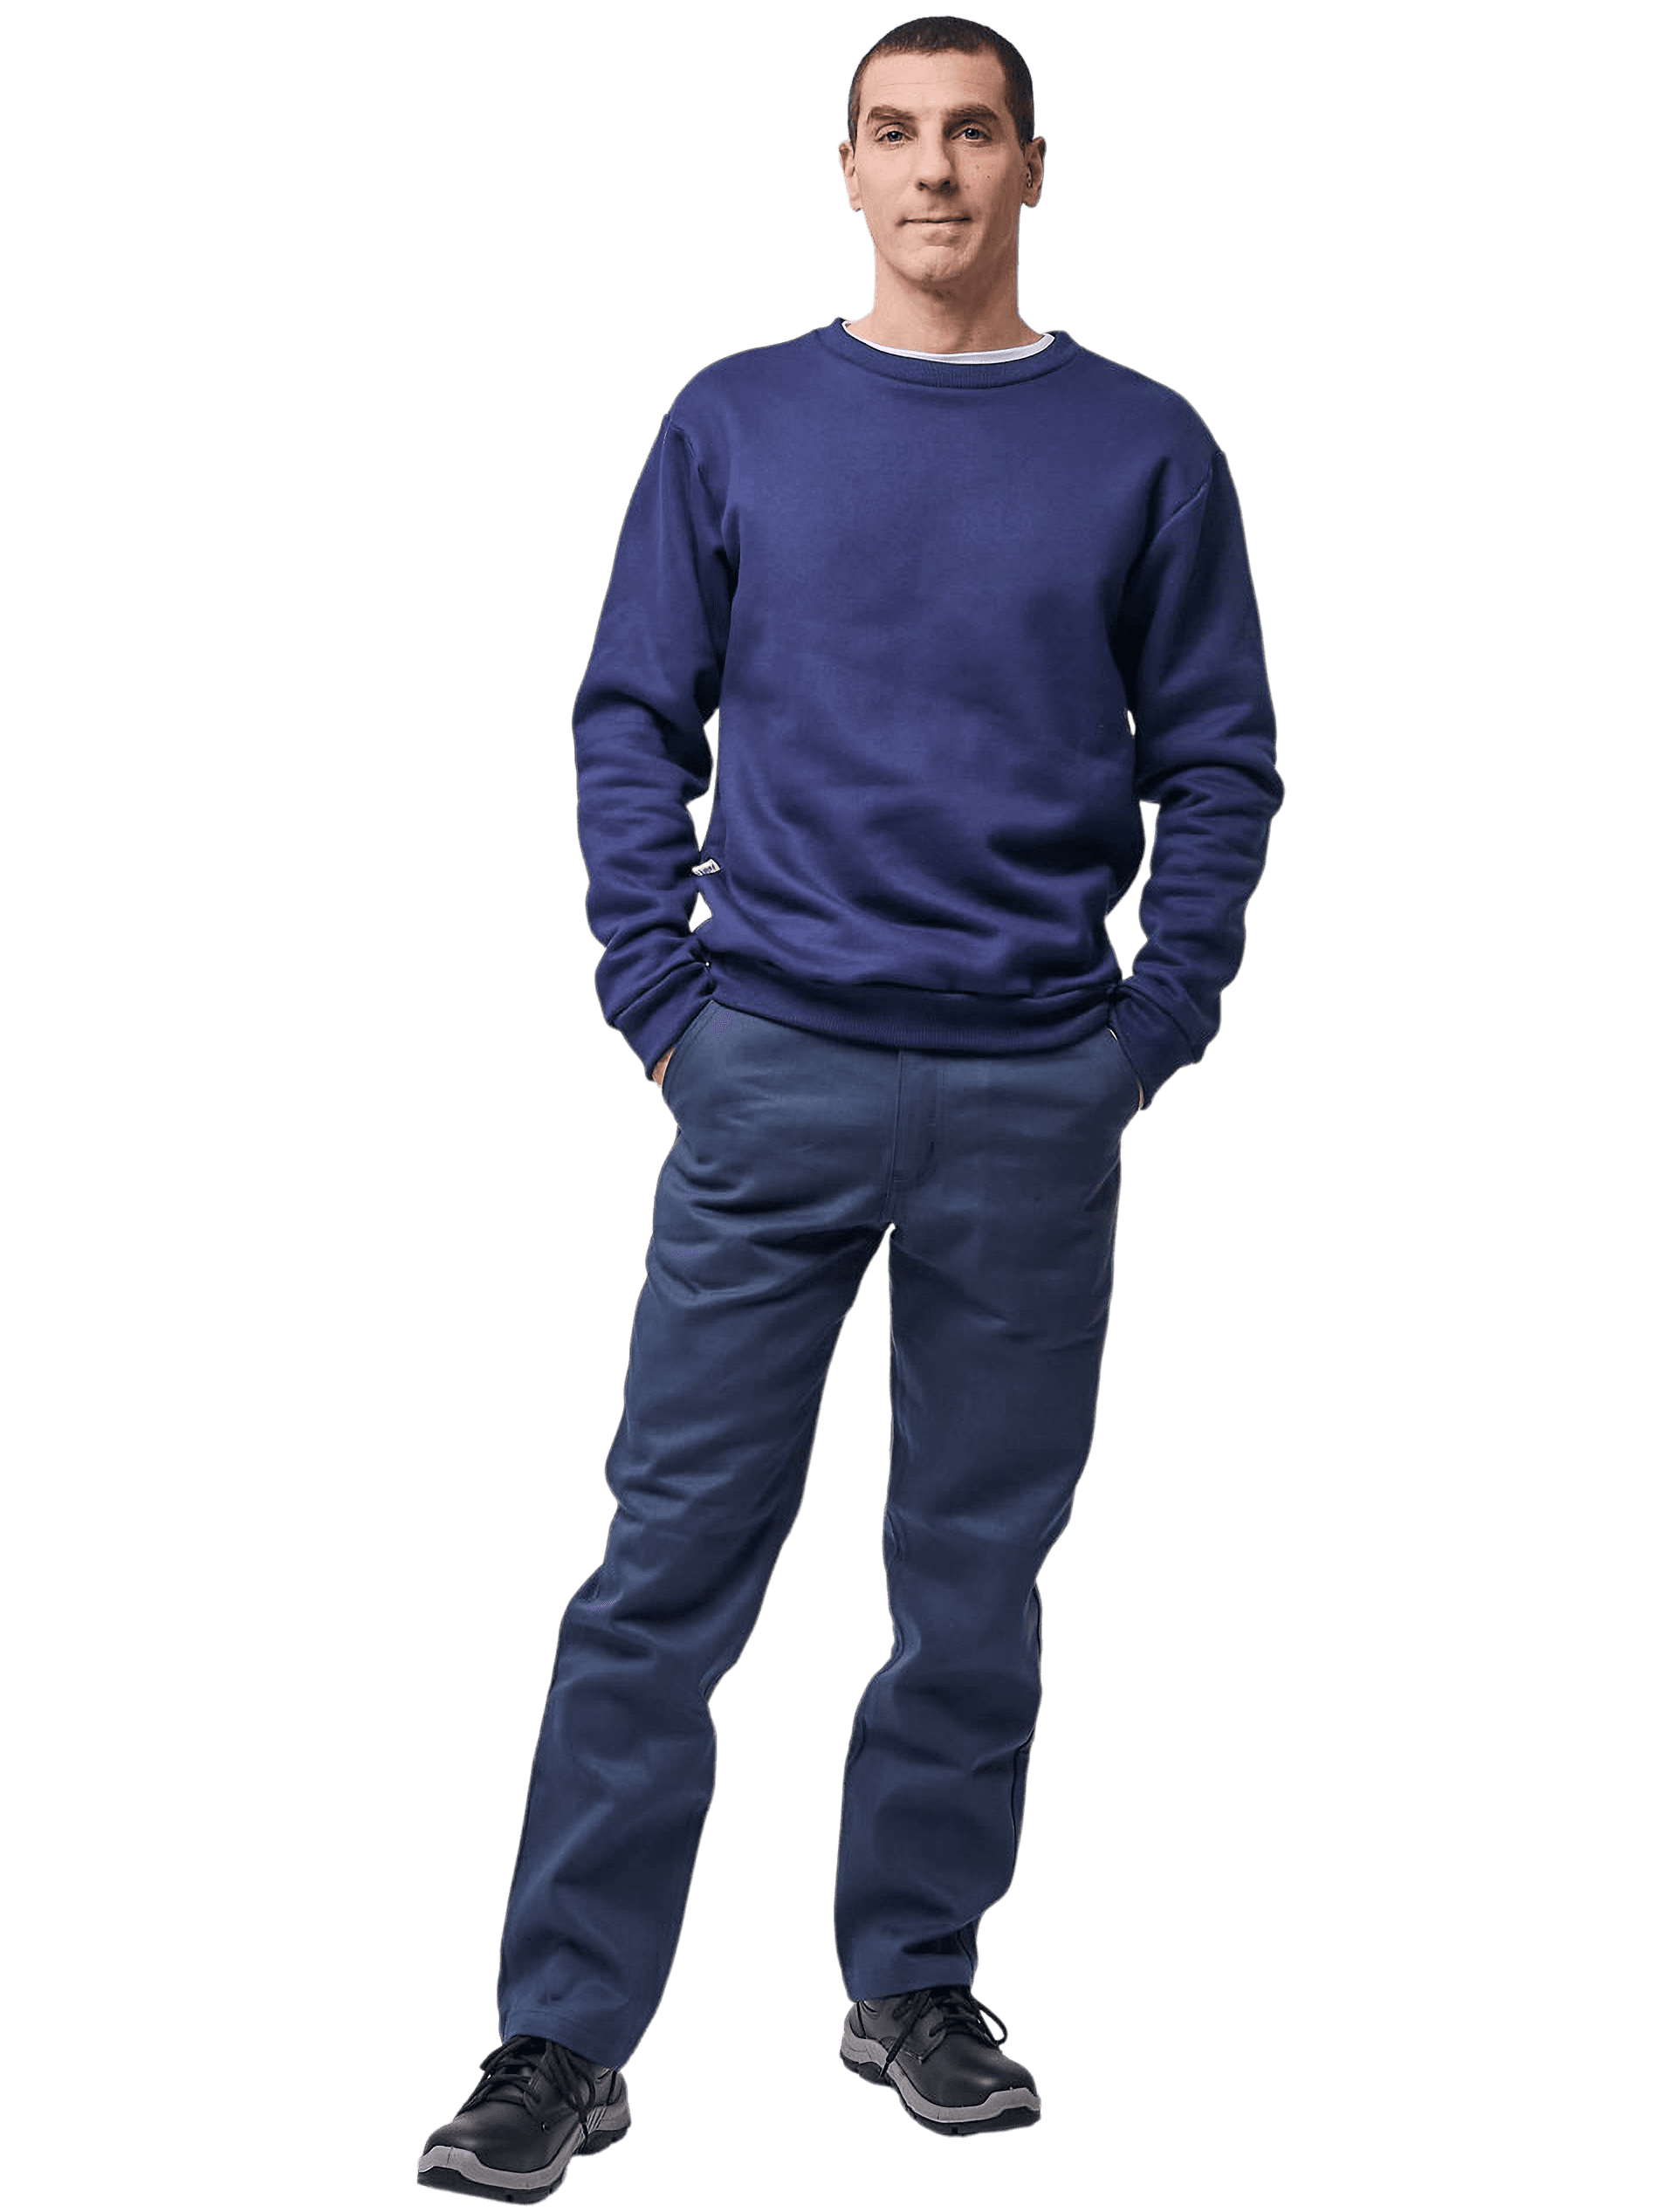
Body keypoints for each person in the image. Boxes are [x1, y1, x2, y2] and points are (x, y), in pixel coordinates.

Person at [416, 13, 1283, 2199]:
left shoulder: (1146, 446)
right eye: (894, 132)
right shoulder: (734, 420)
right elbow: (630, 714)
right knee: (661, 1572)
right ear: (845, 167)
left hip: (1032, 1088)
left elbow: (1221, 761)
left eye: (971, 132)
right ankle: (561, 2032)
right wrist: (660, 1001)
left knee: (973, 1581)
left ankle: (915, 1978)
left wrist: (1145, 1031)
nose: (934, 170)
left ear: (1033, 165)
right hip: (767, 1072)